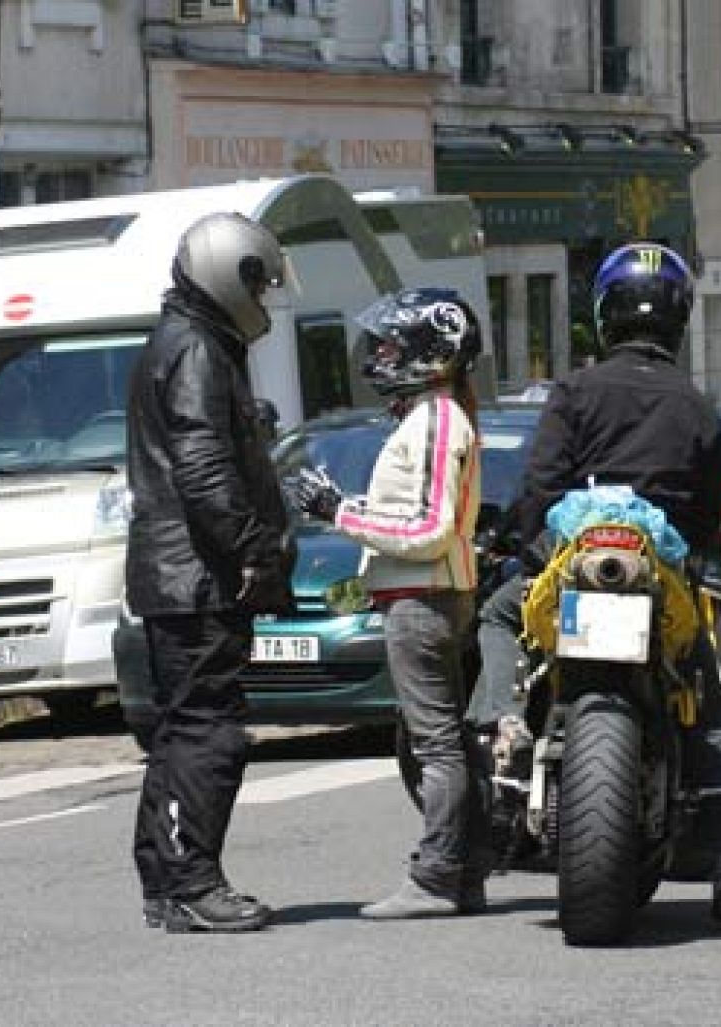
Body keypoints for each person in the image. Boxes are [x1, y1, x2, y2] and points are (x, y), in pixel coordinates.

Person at [474, 241, 721, 930]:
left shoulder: (574, 392)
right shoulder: (696, 406)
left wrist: (525, 545)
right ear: (678, 319)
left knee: (495, 612)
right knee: (712, 710)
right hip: (658, 581)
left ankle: (503, 718)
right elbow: (701, 521)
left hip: (577, 566)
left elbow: (541, 492)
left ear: (605, 315)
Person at [287, 288, 492, 919]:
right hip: (425, 595)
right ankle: (464, 874)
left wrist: (339, 513)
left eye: (389, 344)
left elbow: (429, 531)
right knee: (440, 742)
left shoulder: (434, 423)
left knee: (436, 747)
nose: (377, 355)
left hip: (422, 599)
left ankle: (435, 878)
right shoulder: (431, 416)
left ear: (429, 353)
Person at [125, 212, 297, 933]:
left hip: (175, 573)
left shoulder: (183, 339)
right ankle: (194, 881)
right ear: (226, 270)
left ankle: (168, 881)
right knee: (208, 730)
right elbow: (202, 468)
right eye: (255, 277)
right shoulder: (196, 348)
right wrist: (255, 547)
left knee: (180, 728)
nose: (260, 292)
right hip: (196, 575)